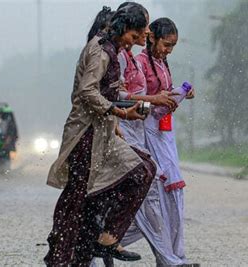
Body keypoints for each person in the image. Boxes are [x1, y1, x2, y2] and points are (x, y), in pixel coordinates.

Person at [43, 4, 157, 266]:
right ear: (123, 28)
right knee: (77, 197)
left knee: (142, 170)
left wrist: (122, 111)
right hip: (85, 134)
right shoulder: (101, 49)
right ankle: (61, 258)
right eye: (134, 35)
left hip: (104, 133)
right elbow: (87, 92)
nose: (136, 42)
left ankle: (106, 239)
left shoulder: (112, 49)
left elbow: (107, 91)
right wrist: (117, 111)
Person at [121, 17, 197, 266]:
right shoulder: (139, 63)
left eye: (172, 46)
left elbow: (162, 94)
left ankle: (175, 255)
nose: (168, 50)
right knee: (156, 197)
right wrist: (157, 100)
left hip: (165, 133)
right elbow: (135, 101)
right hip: (144, 131)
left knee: (173, 197)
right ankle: (105, 238)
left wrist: (179, 93)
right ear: (151, 36)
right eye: (166, 44)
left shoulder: (162, 63)